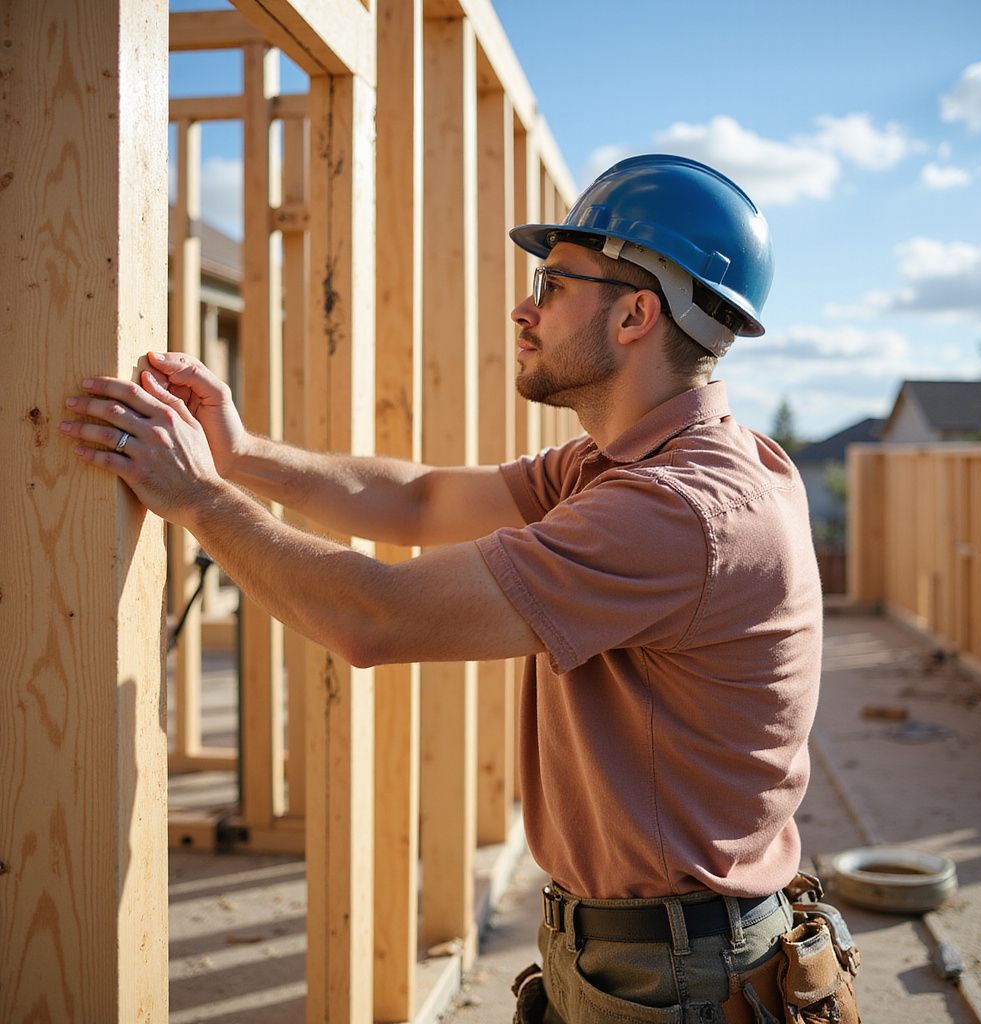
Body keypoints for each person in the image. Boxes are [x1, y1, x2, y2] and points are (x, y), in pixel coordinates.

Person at [61, 155, 859, 1023]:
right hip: (645, 948)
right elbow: (420, 499)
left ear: (636, 315)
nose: (524, 307)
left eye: (552, 284)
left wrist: (197, 499)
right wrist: (241, 455)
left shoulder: (678, 511)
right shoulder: (624, 462)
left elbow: (375, 617)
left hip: (682, 977)